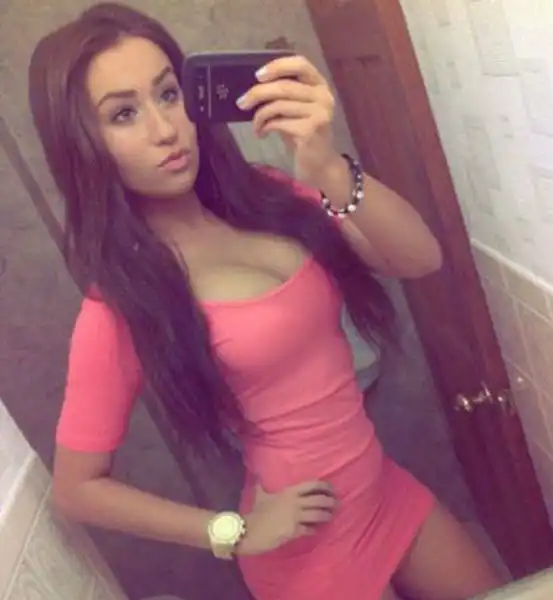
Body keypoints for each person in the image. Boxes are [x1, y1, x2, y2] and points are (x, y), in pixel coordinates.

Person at [28, 3, 502, 599]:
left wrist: (327, 166)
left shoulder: (266, 196)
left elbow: (420, 257)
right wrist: (232, 529)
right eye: (124, 113)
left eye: (169, 94)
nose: (165, 128)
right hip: (306, 549)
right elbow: (77, 489)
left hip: (382, 486)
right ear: (83, 145)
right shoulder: (120, 304)